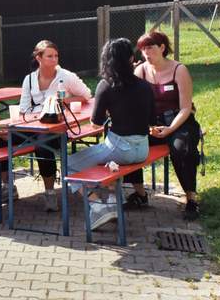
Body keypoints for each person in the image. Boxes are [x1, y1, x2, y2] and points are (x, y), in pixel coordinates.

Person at [0, 40, 91, 211]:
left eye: (56, 55)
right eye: (50, 56)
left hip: (57, 128)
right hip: (32, 126)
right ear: (38, 58)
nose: (54, 59)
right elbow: (23, 109)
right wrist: (12, 129)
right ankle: (8, 187)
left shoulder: (66, 76)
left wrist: (62, 101)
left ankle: (50, 193)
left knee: (42, 146)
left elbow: (86, 95)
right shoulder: (29, 79)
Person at [65, 38, 156, 230]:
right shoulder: (145, 86)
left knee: (69, 164)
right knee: (107, 163)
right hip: (143, 149)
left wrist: (109, 112)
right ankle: (114, 200)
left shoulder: (106, 85)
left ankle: (98, 206)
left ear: (106, 60)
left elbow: (95, 123)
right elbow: (151, 118)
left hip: (119, 148)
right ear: (131, 59)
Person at [123, 30, 202, 220]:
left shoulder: (179, 70)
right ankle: (140, 194)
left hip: (179, 121)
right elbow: (134, 104)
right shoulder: (141, 71)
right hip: (152, 123)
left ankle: (191, 199)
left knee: (181, 149)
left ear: (162, 47)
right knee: (127, 143)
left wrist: (170, 129)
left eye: (150, 48)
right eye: (143, 49)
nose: (146, 53)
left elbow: (186, 108)